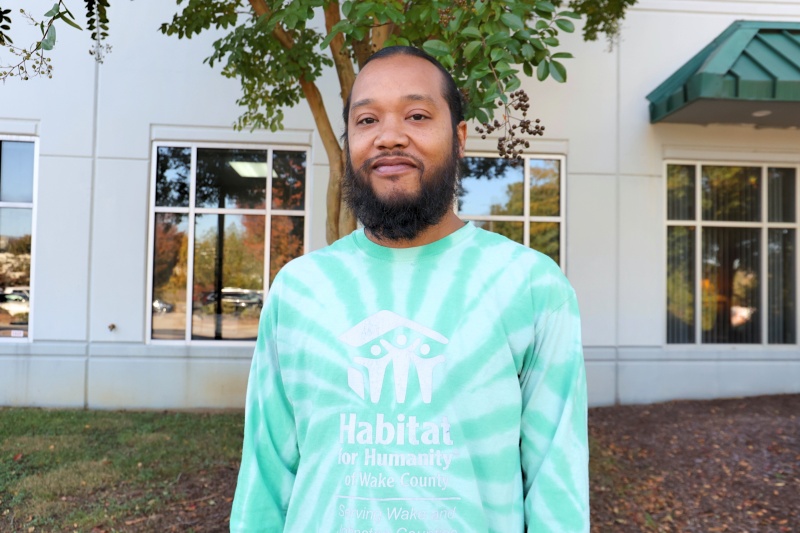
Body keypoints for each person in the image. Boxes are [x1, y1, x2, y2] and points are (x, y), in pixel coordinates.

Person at [230, 45, 589, 533]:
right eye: (367, 120)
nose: (389, 137)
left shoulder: (531, 286)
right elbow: (265, 477)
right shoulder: (298, 290)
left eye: (417, 115)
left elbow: (557, 484)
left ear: (459, 137)